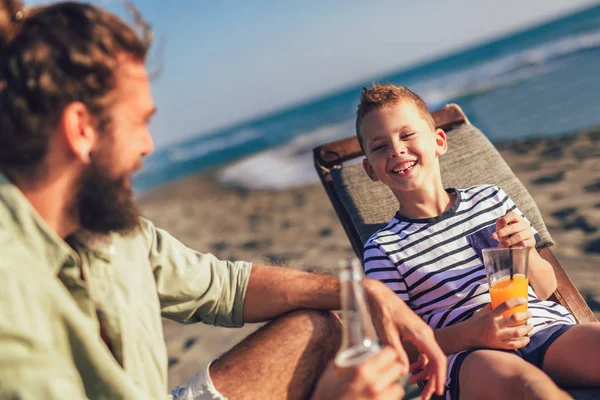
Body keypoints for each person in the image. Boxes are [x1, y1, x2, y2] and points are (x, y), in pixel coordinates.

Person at [0, 2, 447, 399]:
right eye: (139, 121)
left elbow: (223, 287)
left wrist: (362, 292)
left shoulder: (110, 228)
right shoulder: (11, 294)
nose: (148, 145)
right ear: (81, 129)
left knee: (316, 327)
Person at [357, 83, 600, 400]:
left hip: (541, 329)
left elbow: (543, 288)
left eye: (407, 135)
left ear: (439, 141)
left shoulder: (491, 199)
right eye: (379, 147)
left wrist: (527, 253)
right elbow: (400, 346)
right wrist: (472, 333)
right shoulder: (383, 249)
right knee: (532, 389)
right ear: (370, 170)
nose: (396, 150)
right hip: (468, 357)